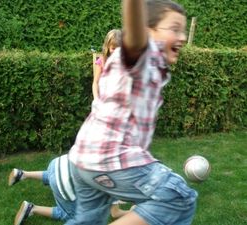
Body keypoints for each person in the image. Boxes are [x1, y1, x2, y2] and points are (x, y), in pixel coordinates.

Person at [67, 0, 198, 225]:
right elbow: (135, 33)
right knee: (179, 198)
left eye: (183, 30)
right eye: (174, 29)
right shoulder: (140, 52)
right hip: (108, 157)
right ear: (148, 30)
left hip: (82, 159)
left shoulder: (147, 63)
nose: (183, 37)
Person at [8, 154, 132, 225]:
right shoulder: (113, 183)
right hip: (62, 182)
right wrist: (133, 212)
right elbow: (115, 213)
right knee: (70, 214)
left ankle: (22, 174)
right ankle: (31, 209)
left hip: (59, 163)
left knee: (53, 174)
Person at [92, 29, 122, 100]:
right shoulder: (101, 62)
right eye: (113, 48)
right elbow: (95, 83)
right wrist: (96, 99)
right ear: (107, 47)